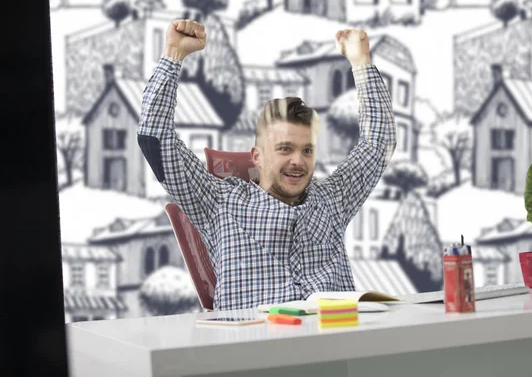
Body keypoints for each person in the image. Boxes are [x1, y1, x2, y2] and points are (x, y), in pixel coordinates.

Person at [138, 19, 396, 311]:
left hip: (336, 342)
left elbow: (378, 144)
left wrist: (362, 63)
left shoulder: (332, 200)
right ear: (257, 156)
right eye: (285, 149)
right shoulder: (220, 202)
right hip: (254, 348)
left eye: (307, 150)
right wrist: (173, 55)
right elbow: (154, 138)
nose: (298, 161)